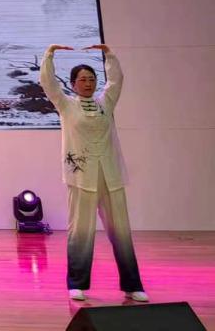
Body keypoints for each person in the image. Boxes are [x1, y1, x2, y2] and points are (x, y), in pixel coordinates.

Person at [41, 43, 148, 303]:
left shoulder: (105, 103)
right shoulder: (66, 105)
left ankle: (132, 285)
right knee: (80, 231)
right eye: (82, 80)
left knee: (121, 231)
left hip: (111, 176)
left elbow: (116, 81)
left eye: (91, 79)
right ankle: (77, 284)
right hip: (81, 179)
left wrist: (109, 55)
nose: (88, 83)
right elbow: (48, 84)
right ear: (73, 84)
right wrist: (50, 54)